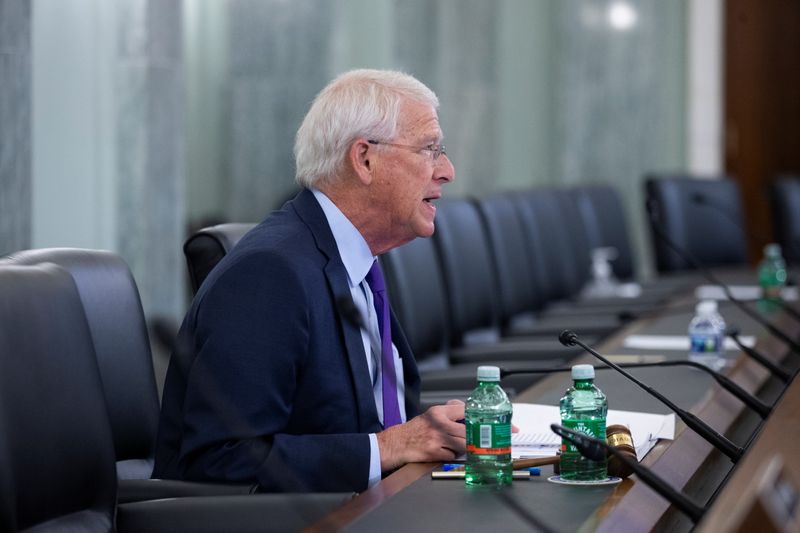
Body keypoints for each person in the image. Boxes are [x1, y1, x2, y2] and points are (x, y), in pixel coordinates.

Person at [153, 69, 463, 492]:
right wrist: (388, 447)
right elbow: (217, 458)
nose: (446, 170)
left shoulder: (357, 260)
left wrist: (433, 433)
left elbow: (357, 416)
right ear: (365, 159)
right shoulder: (269, 274)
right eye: (430, 150)